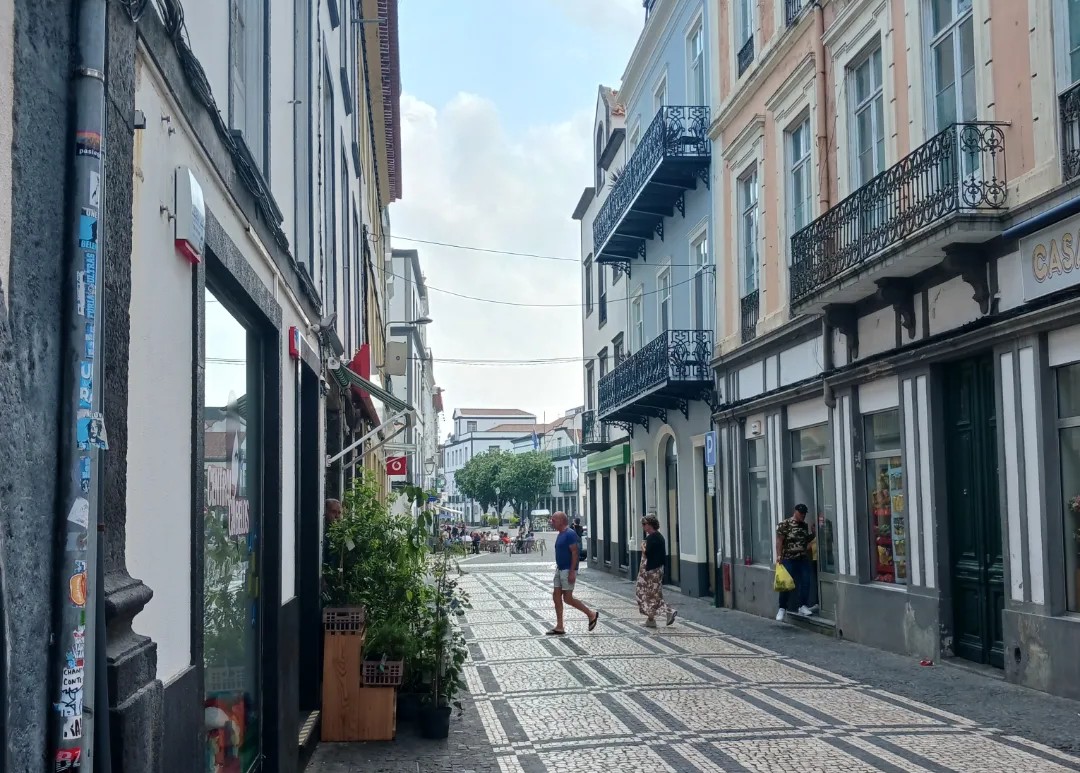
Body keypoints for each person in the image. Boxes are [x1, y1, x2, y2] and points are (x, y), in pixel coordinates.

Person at [546, 511, 599, 635]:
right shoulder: (561, 533)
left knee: (568, 598)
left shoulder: (570, 534)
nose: (552, 522)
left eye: (554, 520)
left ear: (561, 521)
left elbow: (575, 553)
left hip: (567, 570)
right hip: (560, 569)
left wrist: (572, 571)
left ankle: (591, 614)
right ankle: (559, 626)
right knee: (556, 596)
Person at [776, 503, 816, 621]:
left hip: (802, 558)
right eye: (801, 513)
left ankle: (802, 605)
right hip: (788, 558)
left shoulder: (804, 525)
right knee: (786, 585)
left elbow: (805, 540)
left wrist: (814, 533)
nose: (803, 516)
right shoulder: (785, 524)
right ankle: (782, 608)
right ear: (796, 512)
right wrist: (778, 556)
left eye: (804, 514)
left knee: (805, 581)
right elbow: (779, 541)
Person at [635, 515, 677, 628]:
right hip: (656, 570)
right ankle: (651, 620)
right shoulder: (659, 537)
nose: (643, 527)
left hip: (650, 571)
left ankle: (669, 611)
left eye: (644, 524)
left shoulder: (652, 538)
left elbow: (647, 553)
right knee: (652, 594)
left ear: (650, 524)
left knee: (650, 595)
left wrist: (642, 546)